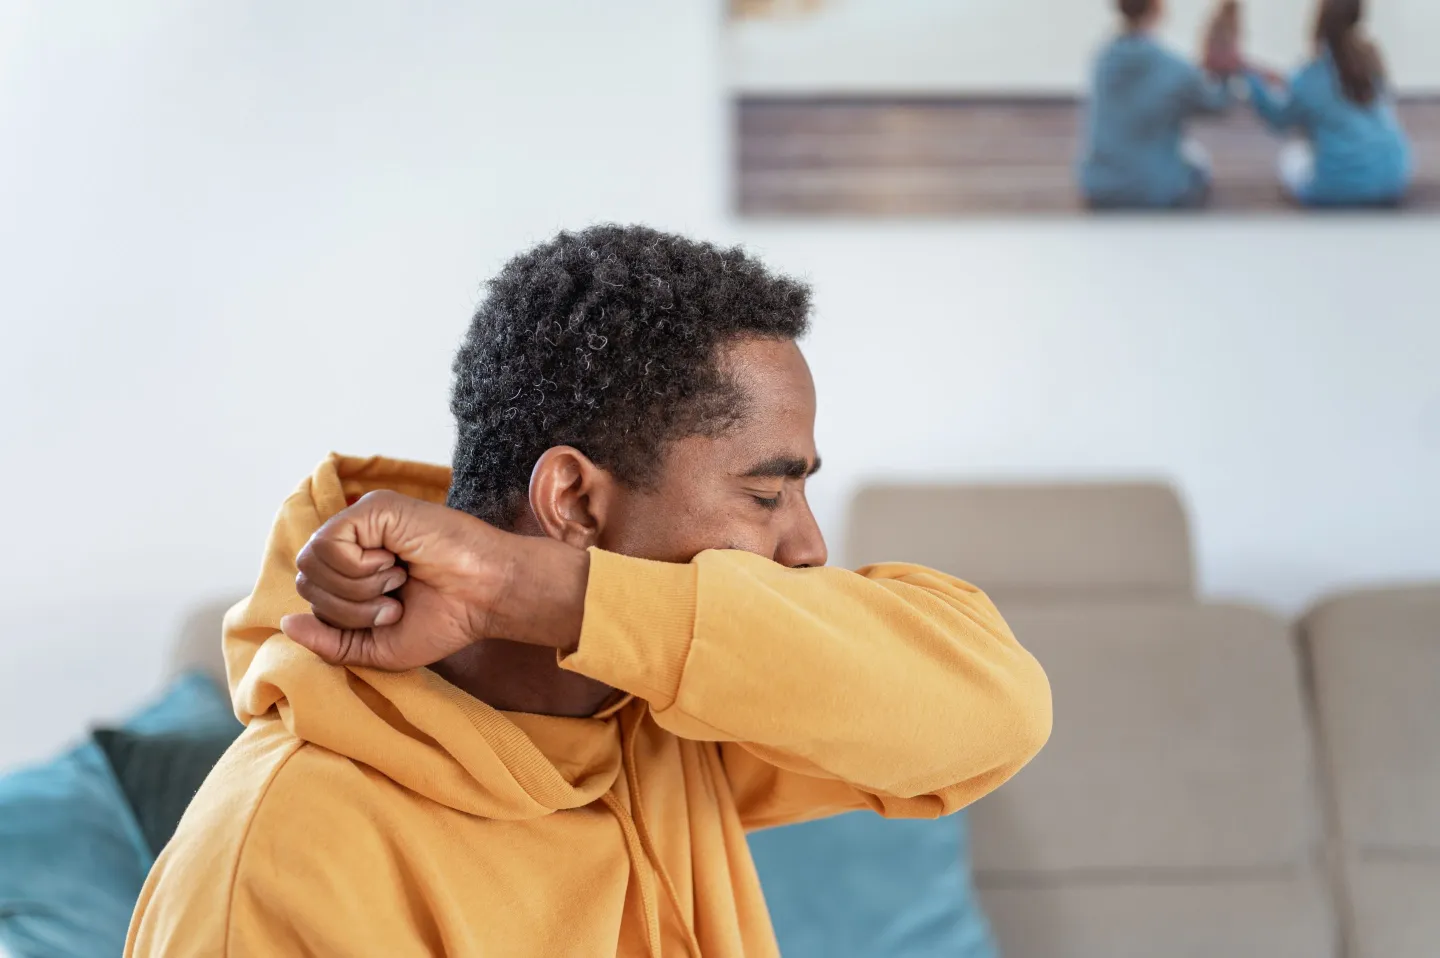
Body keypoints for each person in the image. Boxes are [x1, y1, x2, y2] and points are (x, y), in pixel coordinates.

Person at [125, 225, 1052, 957]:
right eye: (767, 493)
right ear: (572, 498)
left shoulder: (659, 710)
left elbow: (995, 712)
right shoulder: (287, 855)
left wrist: (524, 587)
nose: (808, 547)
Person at [1243, 0, 1410, 207]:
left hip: (1337, 188)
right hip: (1392, 179)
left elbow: (1280, 119)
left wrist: (1250, 78)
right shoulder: (1371, 59)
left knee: (1292, 158)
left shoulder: (1310, 73)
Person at [1079, 0, 1242, 210]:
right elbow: (1218, 104)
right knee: (1198, 165)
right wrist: (1225, 70)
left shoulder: (1102, 60)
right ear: (1157, 8)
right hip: (1155, 190)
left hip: (1100, 186)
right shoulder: (1174, 67)